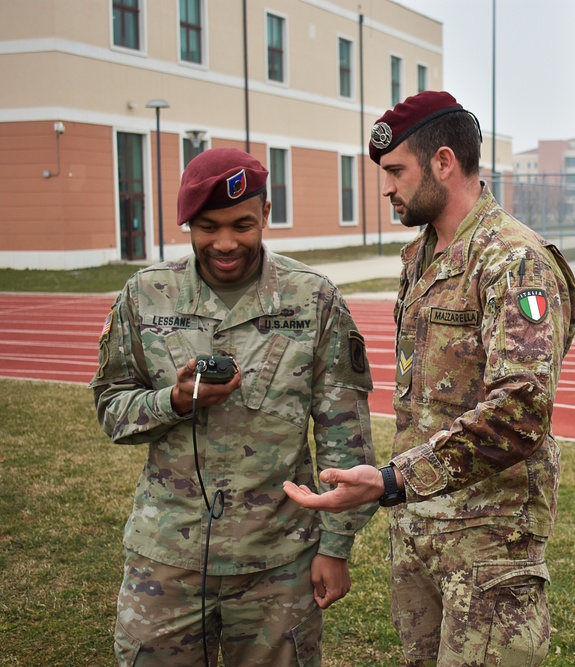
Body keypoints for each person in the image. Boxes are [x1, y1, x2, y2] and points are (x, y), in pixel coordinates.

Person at [284, 90, 575, 666]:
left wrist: (393, 480)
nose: (386, 187)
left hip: (489, 548)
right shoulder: (420, 257)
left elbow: (520, 411)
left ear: (444, 162)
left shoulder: (512, 260)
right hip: (420, 534)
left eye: (396, 171)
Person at [90, 147, 377, 666]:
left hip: (278, 563)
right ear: (188, 225)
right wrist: (172, 401)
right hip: (166, 559)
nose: (226, 243)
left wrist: (335, 547)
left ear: (266, 214)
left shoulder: (314, 300)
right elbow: (112, 408)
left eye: (243, 224)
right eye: (207, 227)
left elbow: (345, 437)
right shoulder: (146, 296)